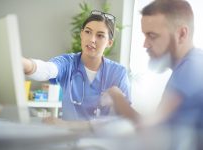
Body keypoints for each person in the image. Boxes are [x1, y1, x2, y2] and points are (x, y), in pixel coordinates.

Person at [105, 0, 203, 129]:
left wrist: (117, 97)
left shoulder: (192, 68)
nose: (145, 44)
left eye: (152, 36)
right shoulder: (190, 64)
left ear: (181, 34)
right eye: (145, 35)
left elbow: (149, 130)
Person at [23, 10, 136, 121]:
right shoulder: (67, 63)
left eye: (100, 36)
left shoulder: (118, 73)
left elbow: (126, 118)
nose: (92, 39)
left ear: (109, 43)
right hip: (69, 137)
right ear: (81, 34)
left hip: (101, 138)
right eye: (88, 32)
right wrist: (23, 64)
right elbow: (46, 69)